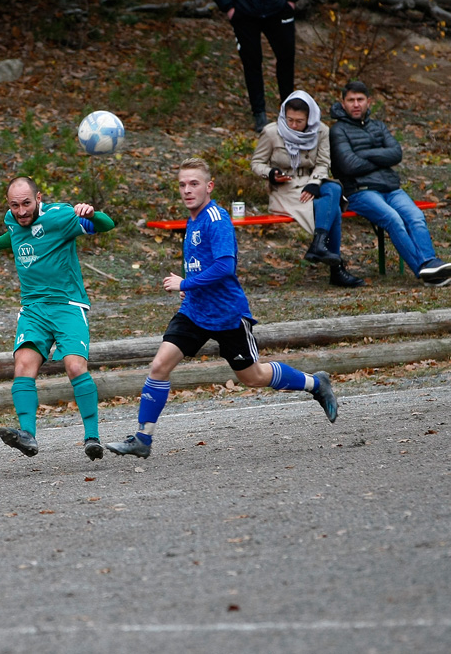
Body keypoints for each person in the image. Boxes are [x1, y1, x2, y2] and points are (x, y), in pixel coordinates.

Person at [106, 157, 338, 459]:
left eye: (194, 184)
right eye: (182, 185)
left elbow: (225, 267)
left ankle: (315, 383)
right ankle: (142, 438)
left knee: (252, 377)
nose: (187, 190)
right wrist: (190, 290)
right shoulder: (193, 220)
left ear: (209, 186)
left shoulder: (216, 219)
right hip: (194, 311)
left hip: (227, 314)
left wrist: (185, 284)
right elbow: (202, 265)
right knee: (159, 366)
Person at [0, 177, 115, 461]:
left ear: (38, 198)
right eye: (15, 205)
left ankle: (92, 437)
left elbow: (107, 226)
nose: (21, 211)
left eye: (26, 203)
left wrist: (93, 213)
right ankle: (27, 435)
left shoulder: (60, 217)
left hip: (67, 305)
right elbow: (13, 236)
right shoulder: (12, 219)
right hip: (33, 309)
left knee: (74, 366)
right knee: (23, 366)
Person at [329, 81, 451, 287]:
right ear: (343, 103)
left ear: (369, 102)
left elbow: (396, 153)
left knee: (416, 217)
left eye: (360, 100)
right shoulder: (337, 131)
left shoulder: (378, 126)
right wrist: (381, 158)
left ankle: (430, 264)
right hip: (361, 191)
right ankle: (424, 269)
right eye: (351, 100)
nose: (356, 104)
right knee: (393, 219)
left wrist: (365, 154)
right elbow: (348, 165)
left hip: (391, 188)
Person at [250, 90, 364, 287]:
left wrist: (314, 182)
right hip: (285, 188)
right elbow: (256, 163)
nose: (293, 125)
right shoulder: (271, 132)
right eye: (290, 120)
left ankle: (318, 245)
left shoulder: (321, 131)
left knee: (334, 189)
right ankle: (335, 268)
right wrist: (271, 174)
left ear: (309, 119)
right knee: (334, 209)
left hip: (311, 183)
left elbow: (323, 163)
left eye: (299, 121)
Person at [211, 0, 297, 132]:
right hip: (244, 10)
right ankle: (259, 113)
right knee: (251, 62)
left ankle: (290, 110)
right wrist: (228, 7)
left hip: (278, 7)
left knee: (286, 57)